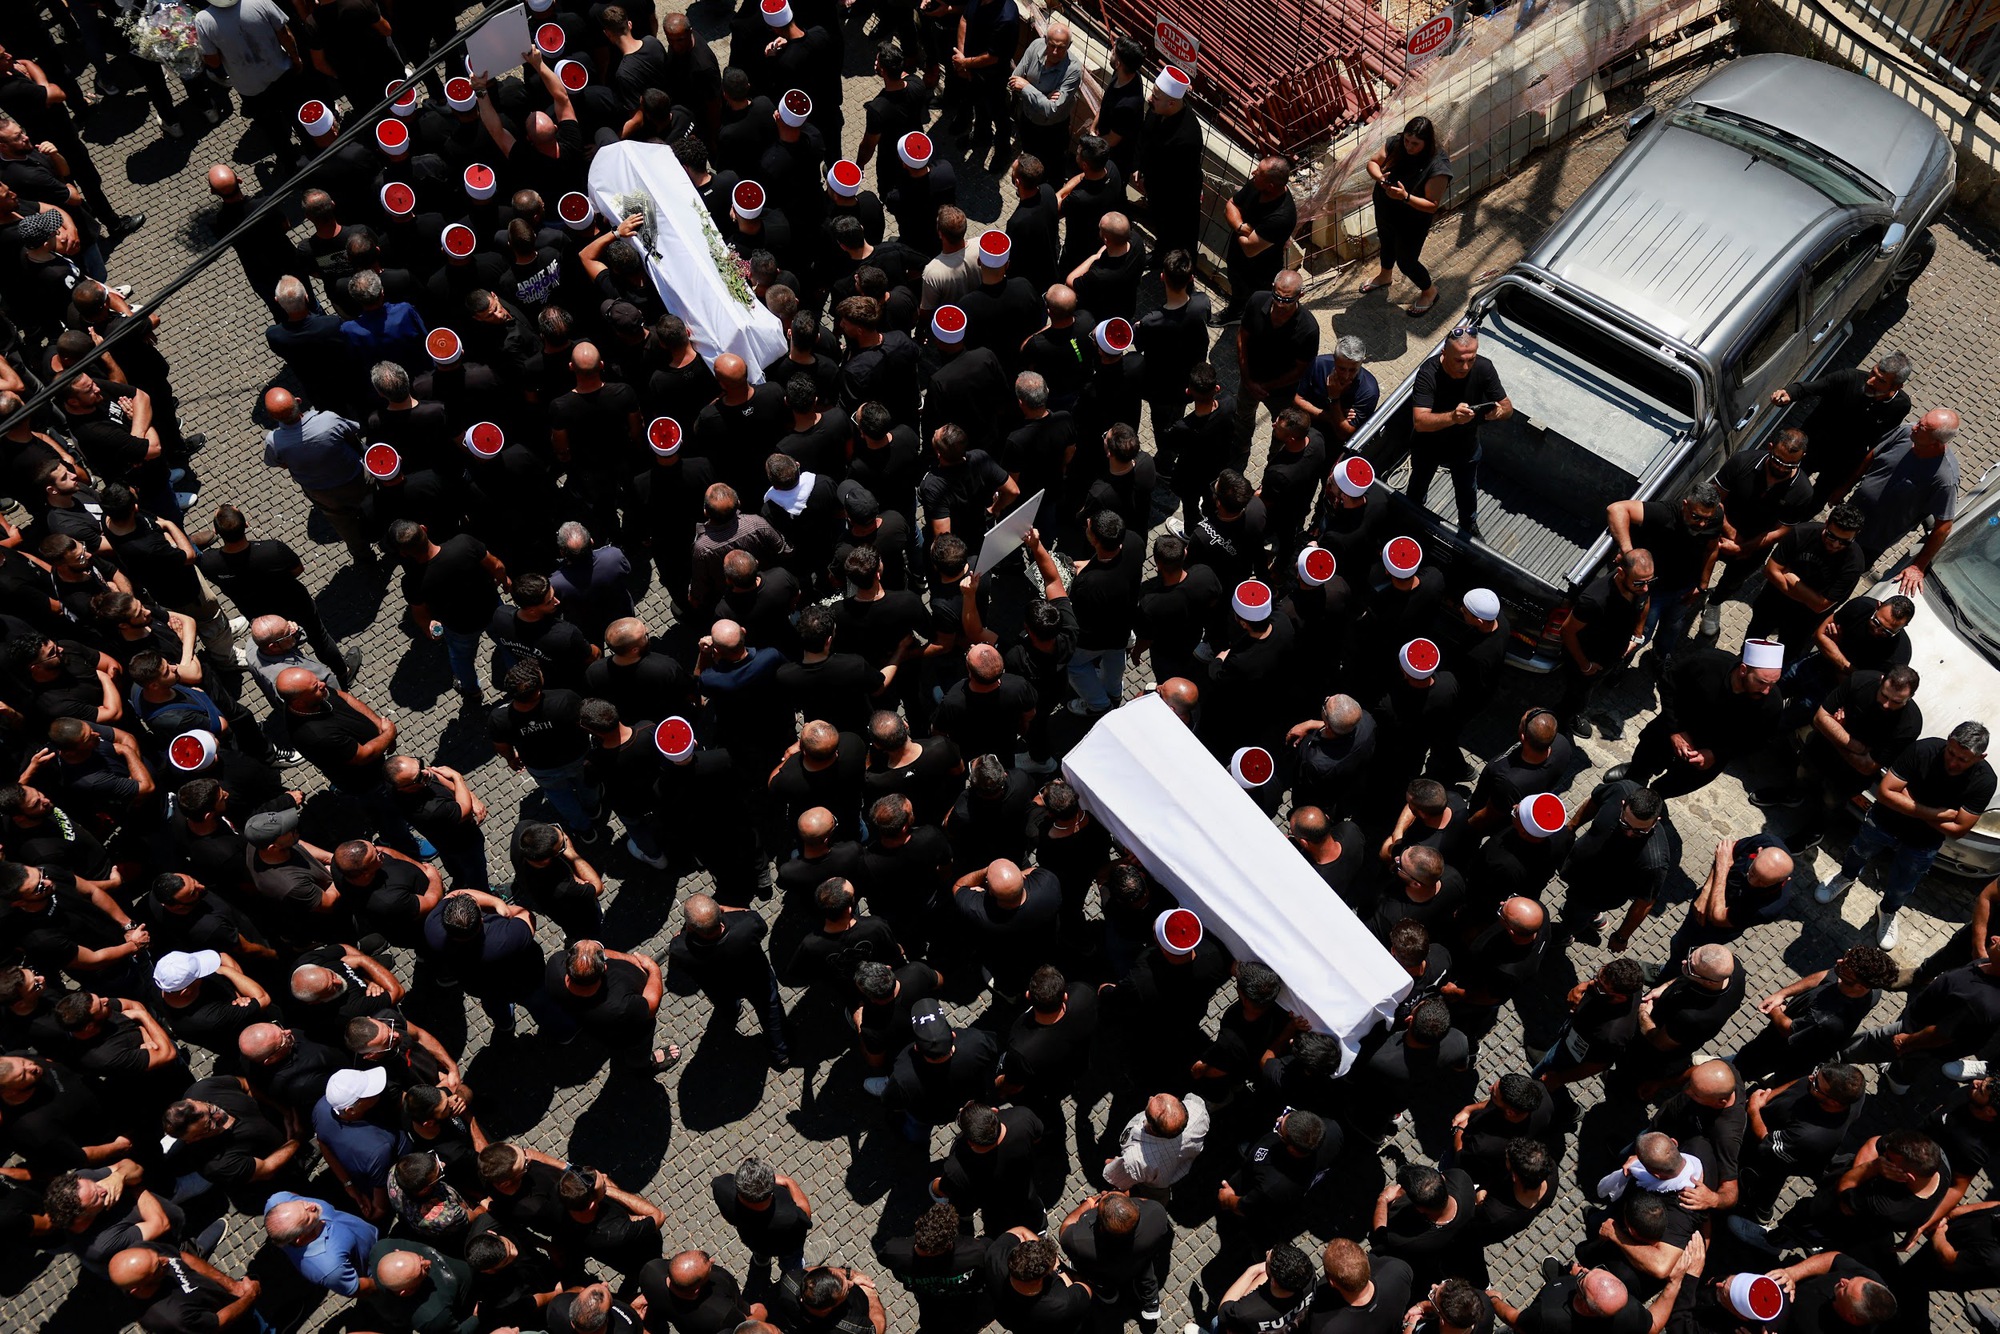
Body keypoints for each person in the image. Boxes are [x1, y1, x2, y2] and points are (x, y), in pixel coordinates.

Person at [1814, 721, 1995, 948]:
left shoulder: (1985, 781)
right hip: (1884, 822)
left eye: (1963, 759)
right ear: (1948, 740)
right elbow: (1885, 792)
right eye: (1950, 752)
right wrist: (1939, 813)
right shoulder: (1924, 750)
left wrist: (1907, 801)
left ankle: (1888, 910)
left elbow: (1959, 830)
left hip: (1923, 842)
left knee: (1903, 885)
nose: (1953, 761)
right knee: (1859, 851)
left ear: (1981, 757)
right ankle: (1846, 877)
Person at [1407, 324, 1510, 537]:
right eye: (1459, 360)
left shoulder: (1484, 368)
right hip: (1428, 446)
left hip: (1465, 447)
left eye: (1471, 359)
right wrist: (1453, 417)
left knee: (1466, 492)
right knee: (1417, 486)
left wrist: (1499, 413)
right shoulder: (1429, 372)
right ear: (1444, 353)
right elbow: (1420, 422)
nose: (1465, 367)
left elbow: (1508, 407)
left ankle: (1468, 525)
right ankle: (1410, 517)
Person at [1851, 406, 1962, 586]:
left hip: (1872, 539)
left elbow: (1943, 527)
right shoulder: (1905, 433)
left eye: (1922, 428)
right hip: (1850, 512)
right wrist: (1844, 487)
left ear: (1936, 442)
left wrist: (1918, 566)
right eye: (1920, 421)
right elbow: (1873, 454)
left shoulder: (1945, 479)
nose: (1914, 427)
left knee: (1846, 573)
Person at [1361, 116, 1451, 316]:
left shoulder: (1437, 166)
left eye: (1415, 144)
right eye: (1407, 141)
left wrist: (1405, 197)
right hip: (1385, 210)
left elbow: (1431, 206)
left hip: (1412, 222)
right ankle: (1385, 275)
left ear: (1426, 144)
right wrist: (1380, 178)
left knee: (1407, 261)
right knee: (1386, 242)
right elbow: (1373, 162)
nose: (1409, 147)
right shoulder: (1396, 143)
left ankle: (1429, 291)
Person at [1057, 1191, 1172, 1332]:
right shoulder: (1156, 1214)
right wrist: (1120, 1196)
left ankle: (1110, 1296)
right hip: (1139, 1260)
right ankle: (1151, 1306)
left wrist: (1089, 1204)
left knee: (1101, 1284)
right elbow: (1143, 1200)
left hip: (1104, 1272)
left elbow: (1065, 1228)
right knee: (1146, 1274)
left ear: (1100, 1227)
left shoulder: (1080, 1241)